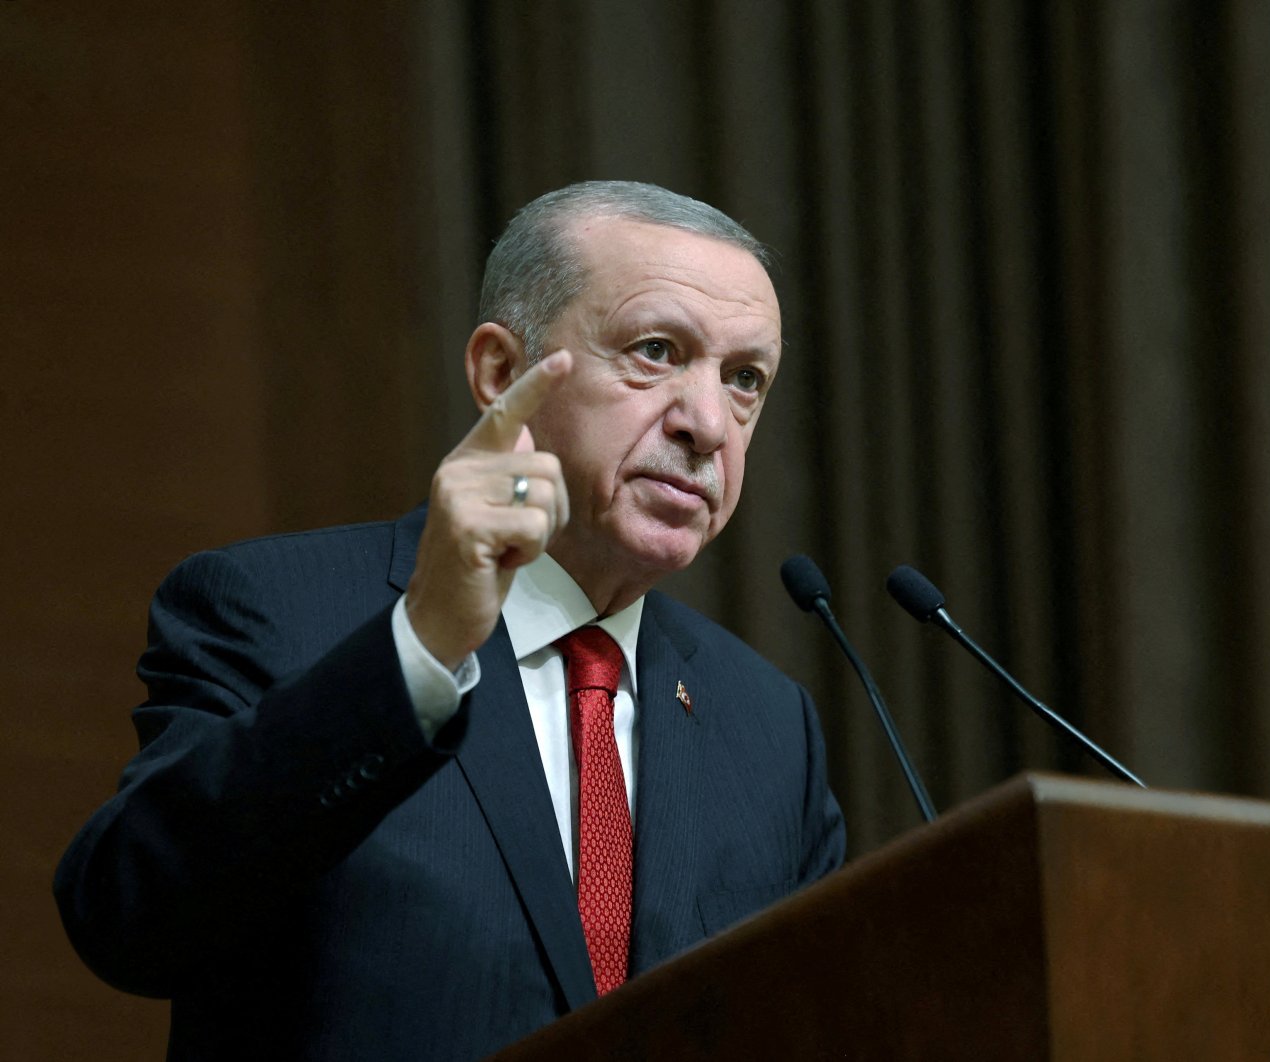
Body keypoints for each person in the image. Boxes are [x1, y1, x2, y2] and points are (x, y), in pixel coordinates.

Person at [54, 181, 847, 1060]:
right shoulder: (276, 609)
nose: (708, 424)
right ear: (501, 373)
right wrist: (421, 648)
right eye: (656, 351)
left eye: (744, 380)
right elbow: (127, 917)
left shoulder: (769, 730)